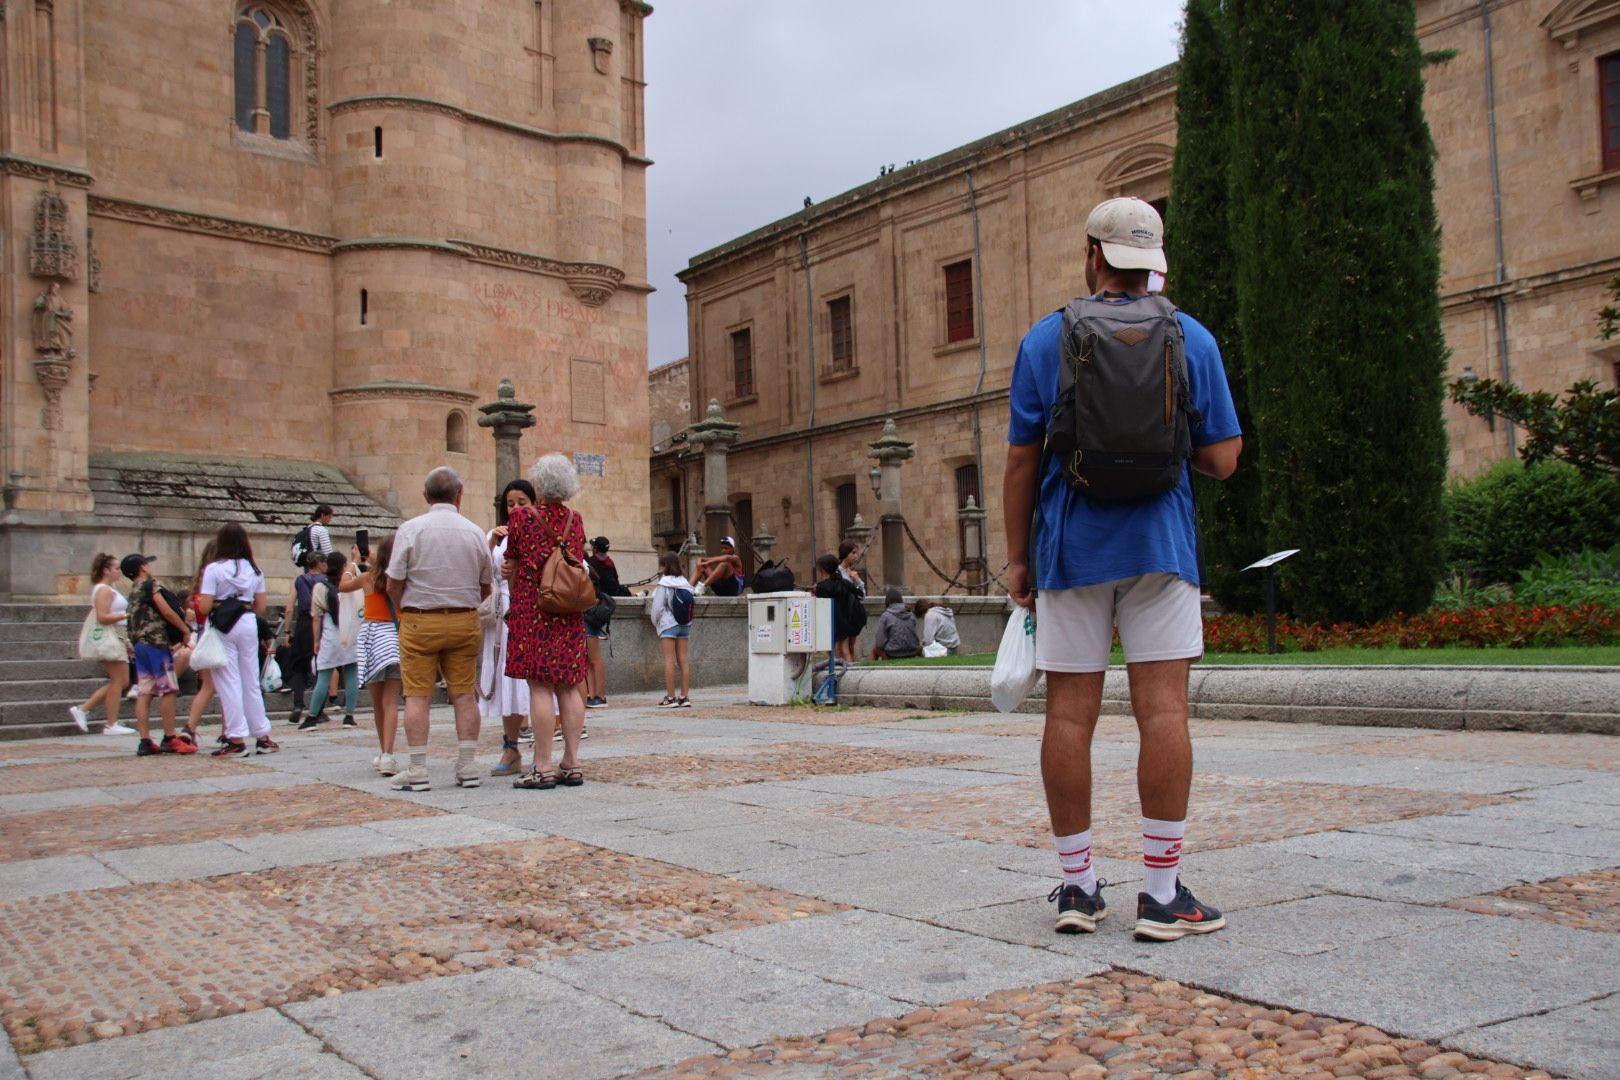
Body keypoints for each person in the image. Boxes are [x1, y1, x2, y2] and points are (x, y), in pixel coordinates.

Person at [1003, 197, 1242, 942]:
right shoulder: (1190, 337)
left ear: (1092, 256)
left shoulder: (1047, 339)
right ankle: (1164, 895)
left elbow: (1019, 461)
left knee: (1068, 715)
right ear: (1154, 262)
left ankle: (1079, 889)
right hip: (1160, 549)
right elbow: (1224, 460)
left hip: (1072, 548)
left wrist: (1018, 556)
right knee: (1163, 712)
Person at [385, 466, 492, 793]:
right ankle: (468, 764)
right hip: (463, 619)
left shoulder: (410, 529)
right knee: (463, 693)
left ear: (425, 496)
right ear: (459, 495)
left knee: (417, 694)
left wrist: (405, 609)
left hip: (420, 619)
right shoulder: (475, 532)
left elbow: (393, 583)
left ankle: (417, 768)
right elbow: (486, 585)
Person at [503, 453, 590, 787]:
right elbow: (576, 558)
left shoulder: (523, 518)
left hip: (534, 608)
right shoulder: (575, 519)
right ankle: (571, 762)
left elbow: (511, 560)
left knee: (540, 686)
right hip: (568, 609)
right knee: (569, 684)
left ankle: (542, 765)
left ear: (538, 484)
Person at [199, 523, 278, 757]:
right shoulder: (255, 570)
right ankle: (262, 736)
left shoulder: (214, 569)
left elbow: (203, 605)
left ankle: (235, 738)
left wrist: (219, 602)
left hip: (224, 624)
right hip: (247, 621)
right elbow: (261, 607)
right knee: (250, 680)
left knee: (228, 680)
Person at [481, 480, 535, 777]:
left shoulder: (539, 530)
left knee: (535, 681)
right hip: (503, 610)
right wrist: (491, 546)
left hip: (529, 607)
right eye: (510, 504)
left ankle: (542, 750)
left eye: (522, 502)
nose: (515, 508)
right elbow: (481, 573)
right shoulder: (495, 536)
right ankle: (511, 746)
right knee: (506, 679)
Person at [121, 554, 197, 755]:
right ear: (143, 568)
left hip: (140, 646)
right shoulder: (150, 586)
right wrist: (185, 629)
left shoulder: (133, 592)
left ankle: (145, 740)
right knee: (169, 689)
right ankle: (169, 737)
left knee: (145, 691)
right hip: (155, 643)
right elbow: (167, 612)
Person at [347, 534, 402, 776]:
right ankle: (388, 754)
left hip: (373, 640)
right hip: (397, 639)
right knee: (391, 702)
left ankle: (384, 751)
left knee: (378, 703)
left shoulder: (367, 577)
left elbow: (341, 586)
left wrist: (353, 562)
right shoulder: (401, 578)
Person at [70, 553, 135, 735]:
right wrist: (127, 615)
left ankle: (84, 709)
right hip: (112, 634)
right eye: (116, 568)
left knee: (121, 681)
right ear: (106, 570)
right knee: (119, 681)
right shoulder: (104, 590)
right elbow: (103, 616)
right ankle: (110, 723)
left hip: (118, 634)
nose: (118, 572)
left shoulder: (107, 588)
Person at [301, 551, 360, 730]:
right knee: (351, 674)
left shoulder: (320, 587)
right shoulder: (350, 584)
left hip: (330, 633)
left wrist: (316, 640)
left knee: (324, 676)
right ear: (343, 566)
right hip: (349, 631)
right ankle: (349, 715)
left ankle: (312, 716)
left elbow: (316, 617)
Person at [280, 550, 327, 727]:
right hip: (320, 623)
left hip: (302, 625)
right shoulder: (325, 581)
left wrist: (287, 631)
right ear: (321, 563)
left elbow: (290, 607)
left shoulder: (299, 580)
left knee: (299, 667)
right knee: (321, 667)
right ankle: (319, 709)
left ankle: (298, 704)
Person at [183, 542, 219, 744]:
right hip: (215, 635)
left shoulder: (201, 579)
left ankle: (190, 727)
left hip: (203, 635)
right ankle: (228, 730)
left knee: (208, 686)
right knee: (225, 686)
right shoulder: (217, 575)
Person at [648, 551, 693, 708]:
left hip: (668, 624)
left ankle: (671, 697)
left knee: (669, 660)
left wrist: (655, 623)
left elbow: (658, 607)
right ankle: (685, 697)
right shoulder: (685, 582)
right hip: (684, 625)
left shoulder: (664, 583)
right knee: (683, 659)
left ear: (665, 565)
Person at [814, 553, 867, 664]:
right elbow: (860, 593)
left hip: (831, 622)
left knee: (833, 650)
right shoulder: (844, 583)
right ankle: (851, 673)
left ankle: (836, 673)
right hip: (845, 620)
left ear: (823, 569)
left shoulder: (821, 587)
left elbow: (821, 607)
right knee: (845, 648)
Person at [835, 541, 868, 661]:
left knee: (851, 646)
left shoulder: (852, 573)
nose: (855, 556)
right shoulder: (837, 572)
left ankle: (851, 673)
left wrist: (857, 580)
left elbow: (862, 595)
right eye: (853, 553)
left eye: (856, 553)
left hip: (852, 613)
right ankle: (840, 672)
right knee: (841, 646)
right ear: (845, 553)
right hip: (841, 612)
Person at [869, 587, 920, 660]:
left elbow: (879, 643)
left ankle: (872, 668)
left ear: (887, 601)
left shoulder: (886, 616)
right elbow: (915, 637)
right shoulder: (911, 615)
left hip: (894, 653)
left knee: (875, 649)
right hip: (912, 651)